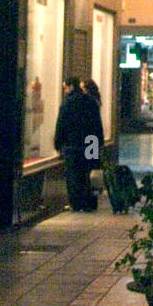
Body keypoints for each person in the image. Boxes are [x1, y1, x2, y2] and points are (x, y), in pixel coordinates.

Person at [54, 77, 104, 211]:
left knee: (73, 175)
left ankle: (76, 203)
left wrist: (58, 144)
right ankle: (88, 202)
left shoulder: (67, 104)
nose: (64, 90)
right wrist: (98, 144)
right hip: (89, 144)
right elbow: (97, 125)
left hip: (72, 145)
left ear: (71, 87)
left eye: (65, 87)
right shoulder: (90, 102)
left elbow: (61, 125)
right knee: (86, 173)